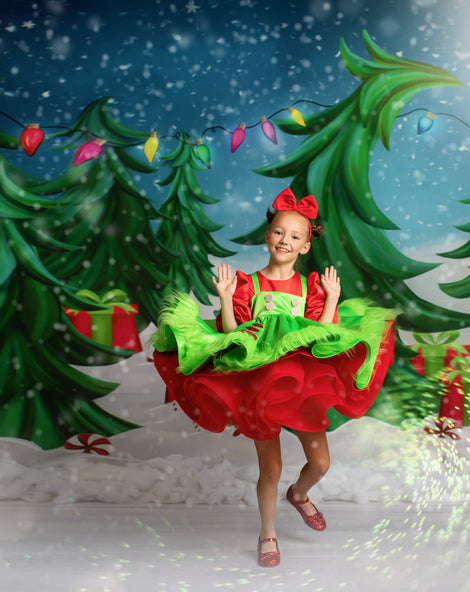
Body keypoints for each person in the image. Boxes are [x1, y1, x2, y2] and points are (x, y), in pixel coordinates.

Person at [151, 188, 397, 567]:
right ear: (267, 237)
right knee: (272, 468)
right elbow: (235, 336)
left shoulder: (309, 286)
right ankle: (268, 533)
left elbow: (325, 339)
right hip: (259, 390)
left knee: (321, 464)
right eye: (279, 232)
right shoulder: (248, 285)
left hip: (301, 388)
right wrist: (224, 298)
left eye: (295, 236)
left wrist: (332, 298)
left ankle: (299, 495)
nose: (285, 240)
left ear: (305, 247)